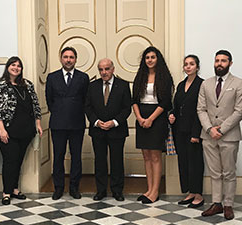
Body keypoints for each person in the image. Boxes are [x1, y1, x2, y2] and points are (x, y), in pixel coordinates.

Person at [0, 56, 42, 205]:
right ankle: (6, 192)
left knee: (18, 160)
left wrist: (37, 124)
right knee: (10, 159)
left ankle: (14, 188)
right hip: (6, 129)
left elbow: (36, 106)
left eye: (19, 66)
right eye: (13, 65)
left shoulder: (28, 85)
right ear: (7, 67)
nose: (16, 68)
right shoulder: (0, 85)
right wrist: (1, 130)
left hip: (25, 129)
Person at [197, 50, 242, 220]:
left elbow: (240, 111)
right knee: (215, 172)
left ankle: (228, 204)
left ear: (230, 63)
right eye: (217, 60)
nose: (219, 64)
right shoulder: (206, 84)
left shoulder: (239, 83)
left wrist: (221, 129)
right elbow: (200, 109)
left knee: (229, 172)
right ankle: (216, 203)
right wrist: (210, 129)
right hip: (208, 135)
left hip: (229, 136)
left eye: (223, 61)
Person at [45, 47, 90, 200]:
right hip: (58, 123)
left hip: (77, 123)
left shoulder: (83, 77)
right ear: (61, 59)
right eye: (65, 57)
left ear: (76, 59)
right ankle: (58, 188)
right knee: (58, 156)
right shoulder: (52, 77)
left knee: (76, 156)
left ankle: (74, 187)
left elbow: (86, 100)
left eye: (71, 57)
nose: (68, 60)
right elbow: (49, 100)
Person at [85, 58, 131, 201]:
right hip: (98, 130)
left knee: (117, 161)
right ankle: (101, 190)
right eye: (101, 69)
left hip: (117, 130)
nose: (104, 72)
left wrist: (114, 122)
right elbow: (87, 107)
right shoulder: (92, 86)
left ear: (113, 69)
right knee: (99, 161)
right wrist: (97, 122)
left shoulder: (123, 85)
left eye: (107, 69)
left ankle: (117, 191)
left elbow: (127, 108)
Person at [132, 46, 173, 204]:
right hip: (141, 117)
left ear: (158, 59)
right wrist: (140, 117)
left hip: (157, 118)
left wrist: (151, 119)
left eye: (152, 57)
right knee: (146, 156)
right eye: (147, 57)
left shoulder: (164, 77)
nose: (149, 60)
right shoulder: (140, 76)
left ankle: (155, 191)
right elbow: (134, 100)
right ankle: (148, 189)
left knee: (155, 156)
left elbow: (166, 102)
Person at [169, 55, 204, 208]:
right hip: (179, 130)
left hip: (194, 131)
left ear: (197, 67)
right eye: (186, 64)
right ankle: (190, 192)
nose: (188, 67)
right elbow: (176, 106)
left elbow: (201, 111)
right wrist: (172, 114)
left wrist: (196, 134)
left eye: (191, 64)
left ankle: (198, 194)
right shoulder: (180, 85)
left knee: (195, 162)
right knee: (183, 162)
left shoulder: (202, 85)